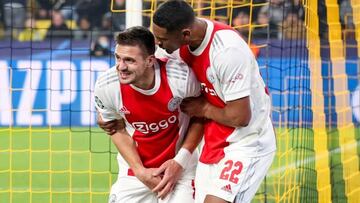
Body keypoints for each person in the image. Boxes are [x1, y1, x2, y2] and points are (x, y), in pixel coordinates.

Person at [152, 1, 276, 203]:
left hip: (247, 141)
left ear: (185, 35)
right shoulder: (176, 45)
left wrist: (204, 107)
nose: (158, 44)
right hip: (212, 141)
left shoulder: (227, 51)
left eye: (162, 39)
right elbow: (143, 64)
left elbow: (241, 116)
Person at [94, 26, 203, 202]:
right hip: (134, 171)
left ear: (150, 60)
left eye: (129, 60)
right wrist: (140, 171)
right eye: (118, 58)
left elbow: (201, 117)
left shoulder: (180, 77)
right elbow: (114, 128)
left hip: (180, 168)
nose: (121, 67)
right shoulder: (106, 85)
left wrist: (180, 162)